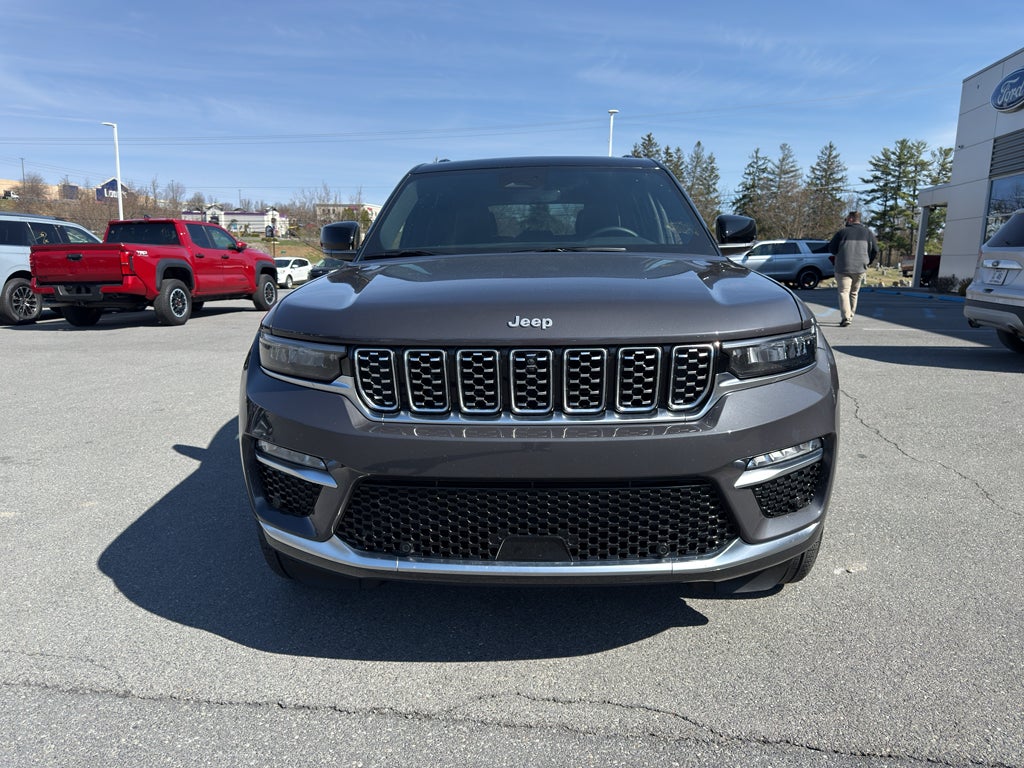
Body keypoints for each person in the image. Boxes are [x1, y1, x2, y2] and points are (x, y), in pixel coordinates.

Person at [828, 211, 878, 326]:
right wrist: (868, 261)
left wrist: (839, 254)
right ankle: (850, 315)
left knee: (843, 292)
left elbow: (832, 248)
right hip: (860, 267)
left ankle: (846, 317)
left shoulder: (842, 233)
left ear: (850, 219)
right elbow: (875, 250)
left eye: (847, 218)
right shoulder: (868, 233)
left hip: (843, 267)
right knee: (854, 292)